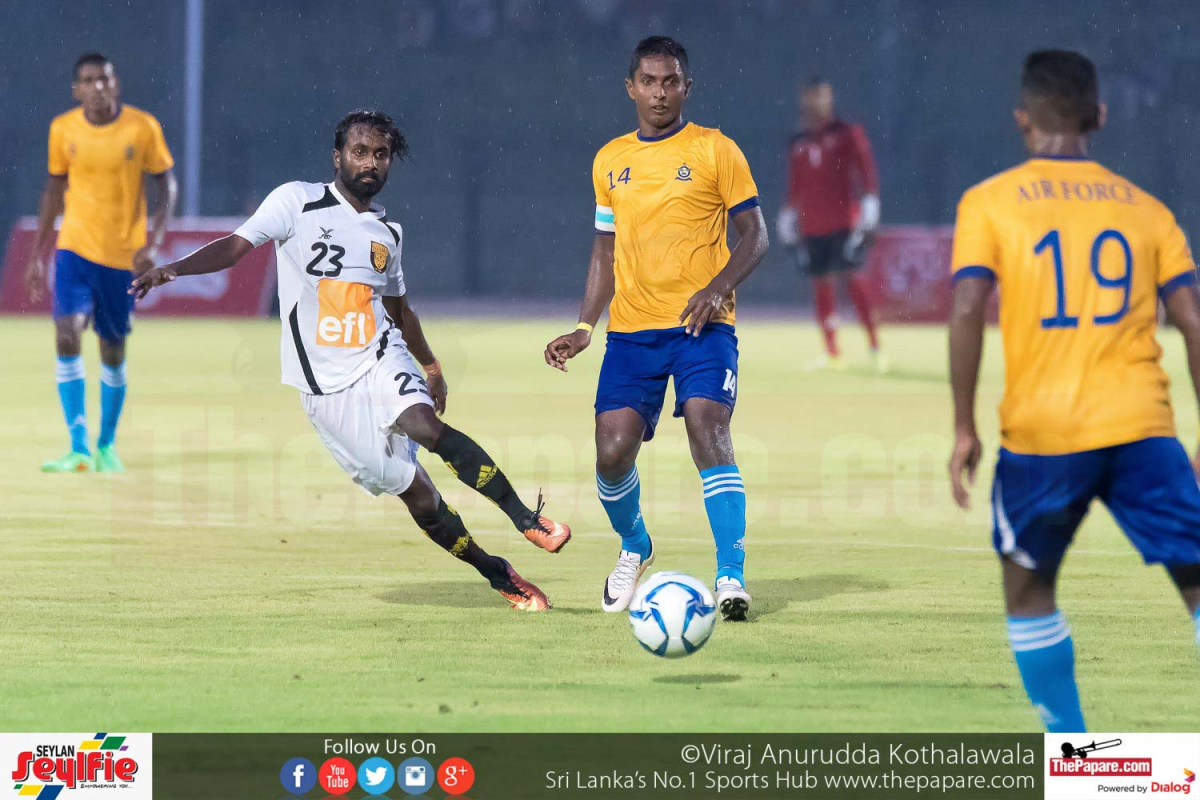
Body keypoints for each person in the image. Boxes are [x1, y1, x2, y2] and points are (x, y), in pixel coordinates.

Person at [133, 110, 570, 611]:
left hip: (379, 356)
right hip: (325, 391)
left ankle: (526, 519)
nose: (370, 163)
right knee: (419, 496)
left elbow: (399, 312)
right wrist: (171, 270)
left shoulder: (388, 236)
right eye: (360, 152)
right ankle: (497, 572)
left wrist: (431, 367)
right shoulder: (296, 201)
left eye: (381, 155)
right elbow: (234, 248)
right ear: (337, 156)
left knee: (426, 427)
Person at [948, 50, 1200, 732]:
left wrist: (964, 426)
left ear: (1022, 118)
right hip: (1143, 429)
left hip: (1044, 435)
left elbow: (967, 307)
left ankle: (1071, 747)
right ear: (1099, 116)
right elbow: (1193, 322)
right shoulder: (1148, 211)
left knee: (1029, 589)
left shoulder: (989, 201)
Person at [544, 36, 769, 620]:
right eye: (649, 81)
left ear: (687, 87)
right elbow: (604, 249)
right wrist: (584, 325)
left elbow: (756, 236)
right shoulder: (609, 160)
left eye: (670, 81)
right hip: (632, 332)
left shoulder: (717, 149)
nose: (660, 92)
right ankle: (635, 544)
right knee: (611, 453)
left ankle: (731, 574)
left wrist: (717, 288)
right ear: (631, 88)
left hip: (702, 326)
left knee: (707, 426)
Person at [26, 53, 178, 473]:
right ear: (76, 90)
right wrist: (38, 254)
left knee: (112, 350)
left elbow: (166, 184)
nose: (97, 87)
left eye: (104, 79)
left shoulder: (142, 127)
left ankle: (106, 446)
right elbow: (53, 191)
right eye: (88, 81)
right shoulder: (63, 129)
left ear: (116, 84)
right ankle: (77, 447)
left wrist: (154, 242)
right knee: (67, 333)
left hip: (122, 257)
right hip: (74, 248)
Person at [776, 78, 884, 372]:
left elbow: (866, 171)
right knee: (821, 283)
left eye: (822, 97)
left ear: (831, 99)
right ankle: (832, 351)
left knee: (853, 278)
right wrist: (788, 215)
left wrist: (870, 206)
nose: (817, 103)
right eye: (811, 97)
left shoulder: (847, 133)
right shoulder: (798, 142)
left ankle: (875, 347)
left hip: (844, 222)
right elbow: (795, 184)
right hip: (812, 226)